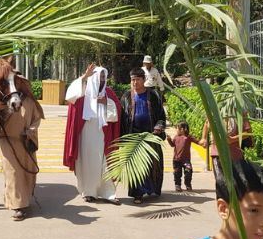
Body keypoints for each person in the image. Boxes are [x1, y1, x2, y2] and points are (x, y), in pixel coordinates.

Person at [63, 64, 122, 205]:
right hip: (85, 133)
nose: (102, 79)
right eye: (99, 76)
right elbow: (70, 96)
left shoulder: (108, 93)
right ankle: (88, 192)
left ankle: (108, 193)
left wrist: (106, 102)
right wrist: (84, 77)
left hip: (103, 134)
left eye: (104, 76)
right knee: (86, 163)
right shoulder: (84, 91)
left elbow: (118, 110)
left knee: (105, 162)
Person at [0, 80, 44, 221]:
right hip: (8, 142)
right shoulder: (2, 102)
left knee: (26, 173)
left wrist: (31, 130)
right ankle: (18, 206)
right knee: (13, 173)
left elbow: (36, 120)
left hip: (26, 142)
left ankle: (24, 200)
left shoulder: (30, 102)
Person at [120, 68, 166, 204]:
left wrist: (159, 126)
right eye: (132, 80)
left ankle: (150, 189)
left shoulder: (153, 95)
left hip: (150, 136)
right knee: (136, 166)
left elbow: (161, 117)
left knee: (151, 165)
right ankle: (137, 194)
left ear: (144, 80)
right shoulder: (126, 96)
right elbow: (122, 119)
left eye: (137, 79)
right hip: (133, 136)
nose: (134, 82)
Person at [166, 120, 202, 192]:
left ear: (182, 129)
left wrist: (202, 143)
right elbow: (173, 145)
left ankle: (188, 184)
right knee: (177, 173)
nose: (176, 130)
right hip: (176, 160)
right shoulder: (176, 137)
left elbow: (197, 142)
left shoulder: (188, 137)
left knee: (188, 172)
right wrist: (169, 140)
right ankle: (178, 185)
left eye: (177, 128)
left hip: (186, 160)